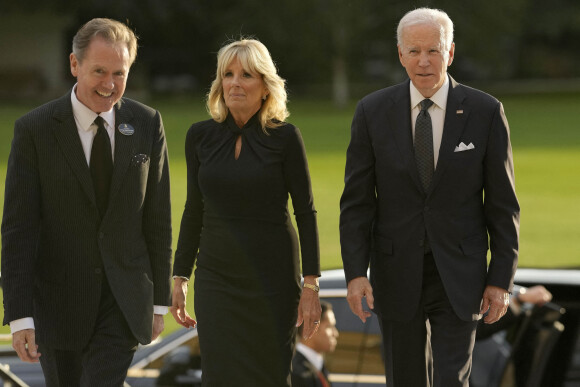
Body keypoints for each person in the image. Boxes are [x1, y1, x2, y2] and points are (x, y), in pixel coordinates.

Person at [339, 7, 520, 387]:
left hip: (461, 272)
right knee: (404, 379)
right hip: (395, 270)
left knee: (452, 380)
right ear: (400, 54)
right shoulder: (371, 112)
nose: (424, 62)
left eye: (434, 51)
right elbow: (357, 202)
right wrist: (356, 273)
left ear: (450, 53)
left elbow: (503, 205)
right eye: (414, 51)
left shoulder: (485, 112)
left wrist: (501, 280)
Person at [1, 18, 172, 386]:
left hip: (122, 303)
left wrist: (159, 303)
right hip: (57, 307)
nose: (110, 85)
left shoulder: (147, 124)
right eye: (99, 71)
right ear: (74, 65)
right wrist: (20, 317)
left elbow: (157, 220)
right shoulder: (35, 130)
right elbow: (19, 229)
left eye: (119, 73)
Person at [170, 38, 321, 386]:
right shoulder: (199, 137)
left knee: (269, 376)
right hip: (216, 281)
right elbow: (194, 209)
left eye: (247, 75)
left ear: (266, 86)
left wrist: (310, 286)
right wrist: (180, 277)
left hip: (273, 282)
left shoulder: (286, 138)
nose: (235, 82)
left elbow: (306, 212)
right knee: (219, 377)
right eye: (228, 74)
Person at [292, 300, 339, 387]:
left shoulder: (318, 366)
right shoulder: (296, 372)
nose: (335, 333)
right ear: (311, 328)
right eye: (329, 327)